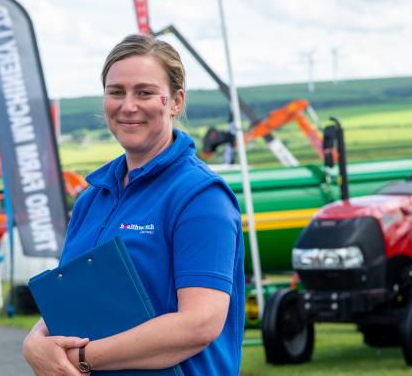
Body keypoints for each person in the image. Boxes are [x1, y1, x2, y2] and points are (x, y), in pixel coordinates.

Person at [22, 34, 245, 375]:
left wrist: (81, 358)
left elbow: (199, 324)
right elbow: (75, 298)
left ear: (174, 102)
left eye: (143, 92)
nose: (128, 106)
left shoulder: (200, 198)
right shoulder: (91, 200)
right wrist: (35, 341)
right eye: (116, 92)